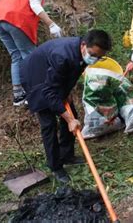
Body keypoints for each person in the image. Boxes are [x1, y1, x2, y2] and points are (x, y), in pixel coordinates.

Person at [20, 29, 112, 183]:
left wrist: (66, 91)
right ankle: (55, 166)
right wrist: (69, 119)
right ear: (83, 45)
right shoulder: (62, 56)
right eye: (93, 54)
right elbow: (49, 92)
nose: (95, 59)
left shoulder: (82, 53)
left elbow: (71, 74)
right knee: (49, 123)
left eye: (99, 57)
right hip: (35, 77)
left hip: (52, 75)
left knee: (71, 113)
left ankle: (67, 155)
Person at [0, 0, 62, 106]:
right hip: (15, 21)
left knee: (16, 56)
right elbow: (35, 5)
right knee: (31, 56)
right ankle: (36, 91)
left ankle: (18, 95)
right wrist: (51, 24)